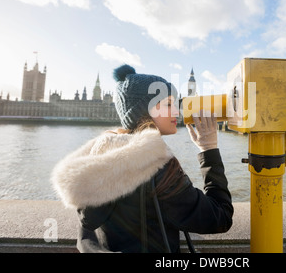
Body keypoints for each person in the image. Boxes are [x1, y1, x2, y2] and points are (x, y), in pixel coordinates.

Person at [51, 64, 233, 253]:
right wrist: (209, 149)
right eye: (168, 104)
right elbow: (220, 218)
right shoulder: (156, 168)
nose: (177, 112)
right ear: (146, 110)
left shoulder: (97, 157)